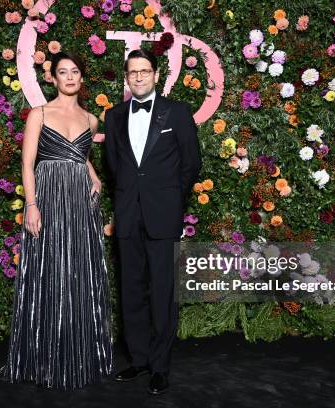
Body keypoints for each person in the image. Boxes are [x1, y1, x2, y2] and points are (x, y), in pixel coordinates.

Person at [0, 52, 113, 390]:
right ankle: (44, 358)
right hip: (47, 198)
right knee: (50, 272)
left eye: (75, 71)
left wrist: (94, 176)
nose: (70, 77)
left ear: (81, 77)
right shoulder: (39, 114)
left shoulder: (92, 120)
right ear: (53, 78)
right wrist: (31, 204)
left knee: (79, 272)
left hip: (80, 202)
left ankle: (79, 355)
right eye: (63, 72)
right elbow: (28, 163)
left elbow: (80, 156)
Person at [104, 48, 202, 395]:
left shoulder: (177, 112)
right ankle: (139, 360)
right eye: (133, 72)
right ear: (127, 78)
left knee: (162, 294)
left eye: (145, 71)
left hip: (163, 217)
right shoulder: (113, 116)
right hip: (129, 217)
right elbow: (114, 167)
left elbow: (191, 165)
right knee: (131, 293)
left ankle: (160, 367)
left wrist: (171, 201)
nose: (140, 77)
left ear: (156, 75)